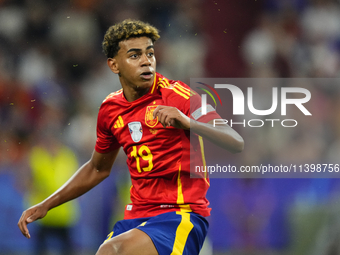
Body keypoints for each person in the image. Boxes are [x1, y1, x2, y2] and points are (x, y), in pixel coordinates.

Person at [18, 19, 244, 255]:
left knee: (112, 251)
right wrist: (47, 204)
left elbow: (235, 141)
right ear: (114, 65)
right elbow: (97, 168)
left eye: (150, 53)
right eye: (135, 55)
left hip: (180, 215)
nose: (146, 61)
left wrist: (189, 123)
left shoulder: (180, 97)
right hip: (137, 217)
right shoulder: (110, 109)